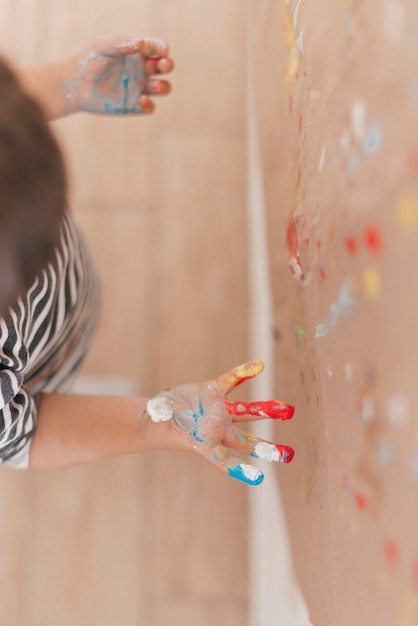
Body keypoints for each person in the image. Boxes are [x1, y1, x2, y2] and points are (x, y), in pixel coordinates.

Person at [0, 35, 295, 485]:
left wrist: (66, 84)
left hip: (62, 301)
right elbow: (29, 433)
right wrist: (150, 423)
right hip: (45, 365)